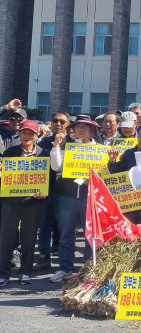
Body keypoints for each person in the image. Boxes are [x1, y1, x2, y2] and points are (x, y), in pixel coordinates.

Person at [49, 115, 100, 283]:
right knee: (65, 234)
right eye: (78, 127)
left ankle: (89, 270)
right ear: (73, 129)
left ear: (91, 129)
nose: (81, 129)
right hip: (68, 196)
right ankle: (65, 269)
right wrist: (56, 145)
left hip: (89, 197)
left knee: (90, 235)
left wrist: (92, 179)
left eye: (85, 126)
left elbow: (105, 175)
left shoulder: (99, 148)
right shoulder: (67, 146)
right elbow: (56, 166)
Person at [0, 121, 49, 286]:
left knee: (28, 239)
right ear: (19, 134)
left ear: (37, 135)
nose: (27, 136)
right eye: (24, 133)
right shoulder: (9, 152)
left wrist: (44, 193)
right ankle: (3, 273)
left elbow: (48, 179)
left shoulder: (44, 154)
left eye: (31, 133)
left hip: (33, 202)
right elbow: (4, 178)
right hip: (10, 201)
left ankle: (25, 272)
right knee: (6, 238)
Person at [33, 112, 70, 271]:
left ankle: (65, 261)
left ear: (68, 124)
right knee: (44, 226)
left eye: (62, 121)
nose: (58, 123)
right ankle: (43, 257)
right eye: (55, 120)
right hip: (45, 190)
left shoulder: (74, 143)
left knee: (64, 228)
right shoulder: (42, 143)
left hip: (66, 191)